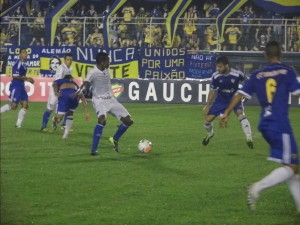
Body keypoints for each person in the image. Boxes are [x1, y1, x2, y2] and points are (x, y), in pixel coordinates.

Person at [220, 41, 300, 212]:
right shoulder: (287, 71)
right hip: (280, 124)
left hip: (265, 124)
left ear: (265, 56)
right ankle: (257, 188)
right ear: (282, 54)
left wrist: (226, 113)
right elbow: (297, 92)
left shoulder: (257, 74)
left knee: (292, 166)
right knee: (292, 166)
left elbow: (239, 94)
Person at [76, 52, 133, 156]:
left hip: (111, 100)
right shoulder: (93, 72)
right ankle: (94, 150)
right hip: (99, 101)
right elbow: (86, 83)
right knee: (102, 120)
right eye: (107, 61)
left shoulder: (106, 69)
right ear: (102, 63)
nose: (109, 62)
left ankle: (114, 139)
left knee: (129, 121)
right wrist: (79, 91)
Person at [202, 56, 253, 148]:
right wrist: (207, 105)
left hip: (235, 98)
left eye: (220, 67)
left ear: (226, 66)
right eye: (217, 66)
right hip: (221, 100)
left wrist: (246, 95)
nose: (218, 69)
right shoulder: (215, 75)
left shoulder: (237, 74)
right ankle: (210, 134)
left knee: (241, 114)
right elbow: (212, 90)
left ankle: (249, 138)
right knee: (207, 121)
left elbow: (249, 83)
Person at [0, 48, 34, 127]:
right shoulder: (18, 63)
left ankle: (18, 124)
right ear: (20, 55)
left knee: (25, 105)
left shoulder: (25, 64)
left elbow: (21, 75)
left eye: (26, 53)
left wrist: (27, 79)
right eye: (23, 53)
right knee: (13, 106)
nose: (25, 54)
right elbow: (14, 75)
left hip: (21, 86)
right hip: (16, 85)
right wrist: (26, 79)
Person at [41, 53, 73, 132]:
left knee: (66, 108)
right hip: (55, 91)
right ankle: (43, 127)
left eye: (71, 60)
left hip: (62, 91)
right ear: (64, 60)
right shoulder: (61, 68)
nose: (69, 61)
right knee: (50, 108)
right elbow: (56, 82)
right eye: (68, 60)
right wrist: (56, 92)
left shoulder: (70, 68)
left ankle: (63, 125)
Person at [52, 75, 90, 139]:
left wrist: (86, 111)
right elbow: (54, 84)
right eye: (72, 78)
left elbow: (81, 96)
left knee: (70, 114)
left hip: (74, 98)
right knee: (60, 117)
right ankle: (55, 120)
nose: (72, 79)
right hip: (64, 97)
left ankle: (66, 134)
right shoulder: (61, 81)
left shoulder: (74, 84)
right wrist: (56, 92)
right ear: (68, 78)